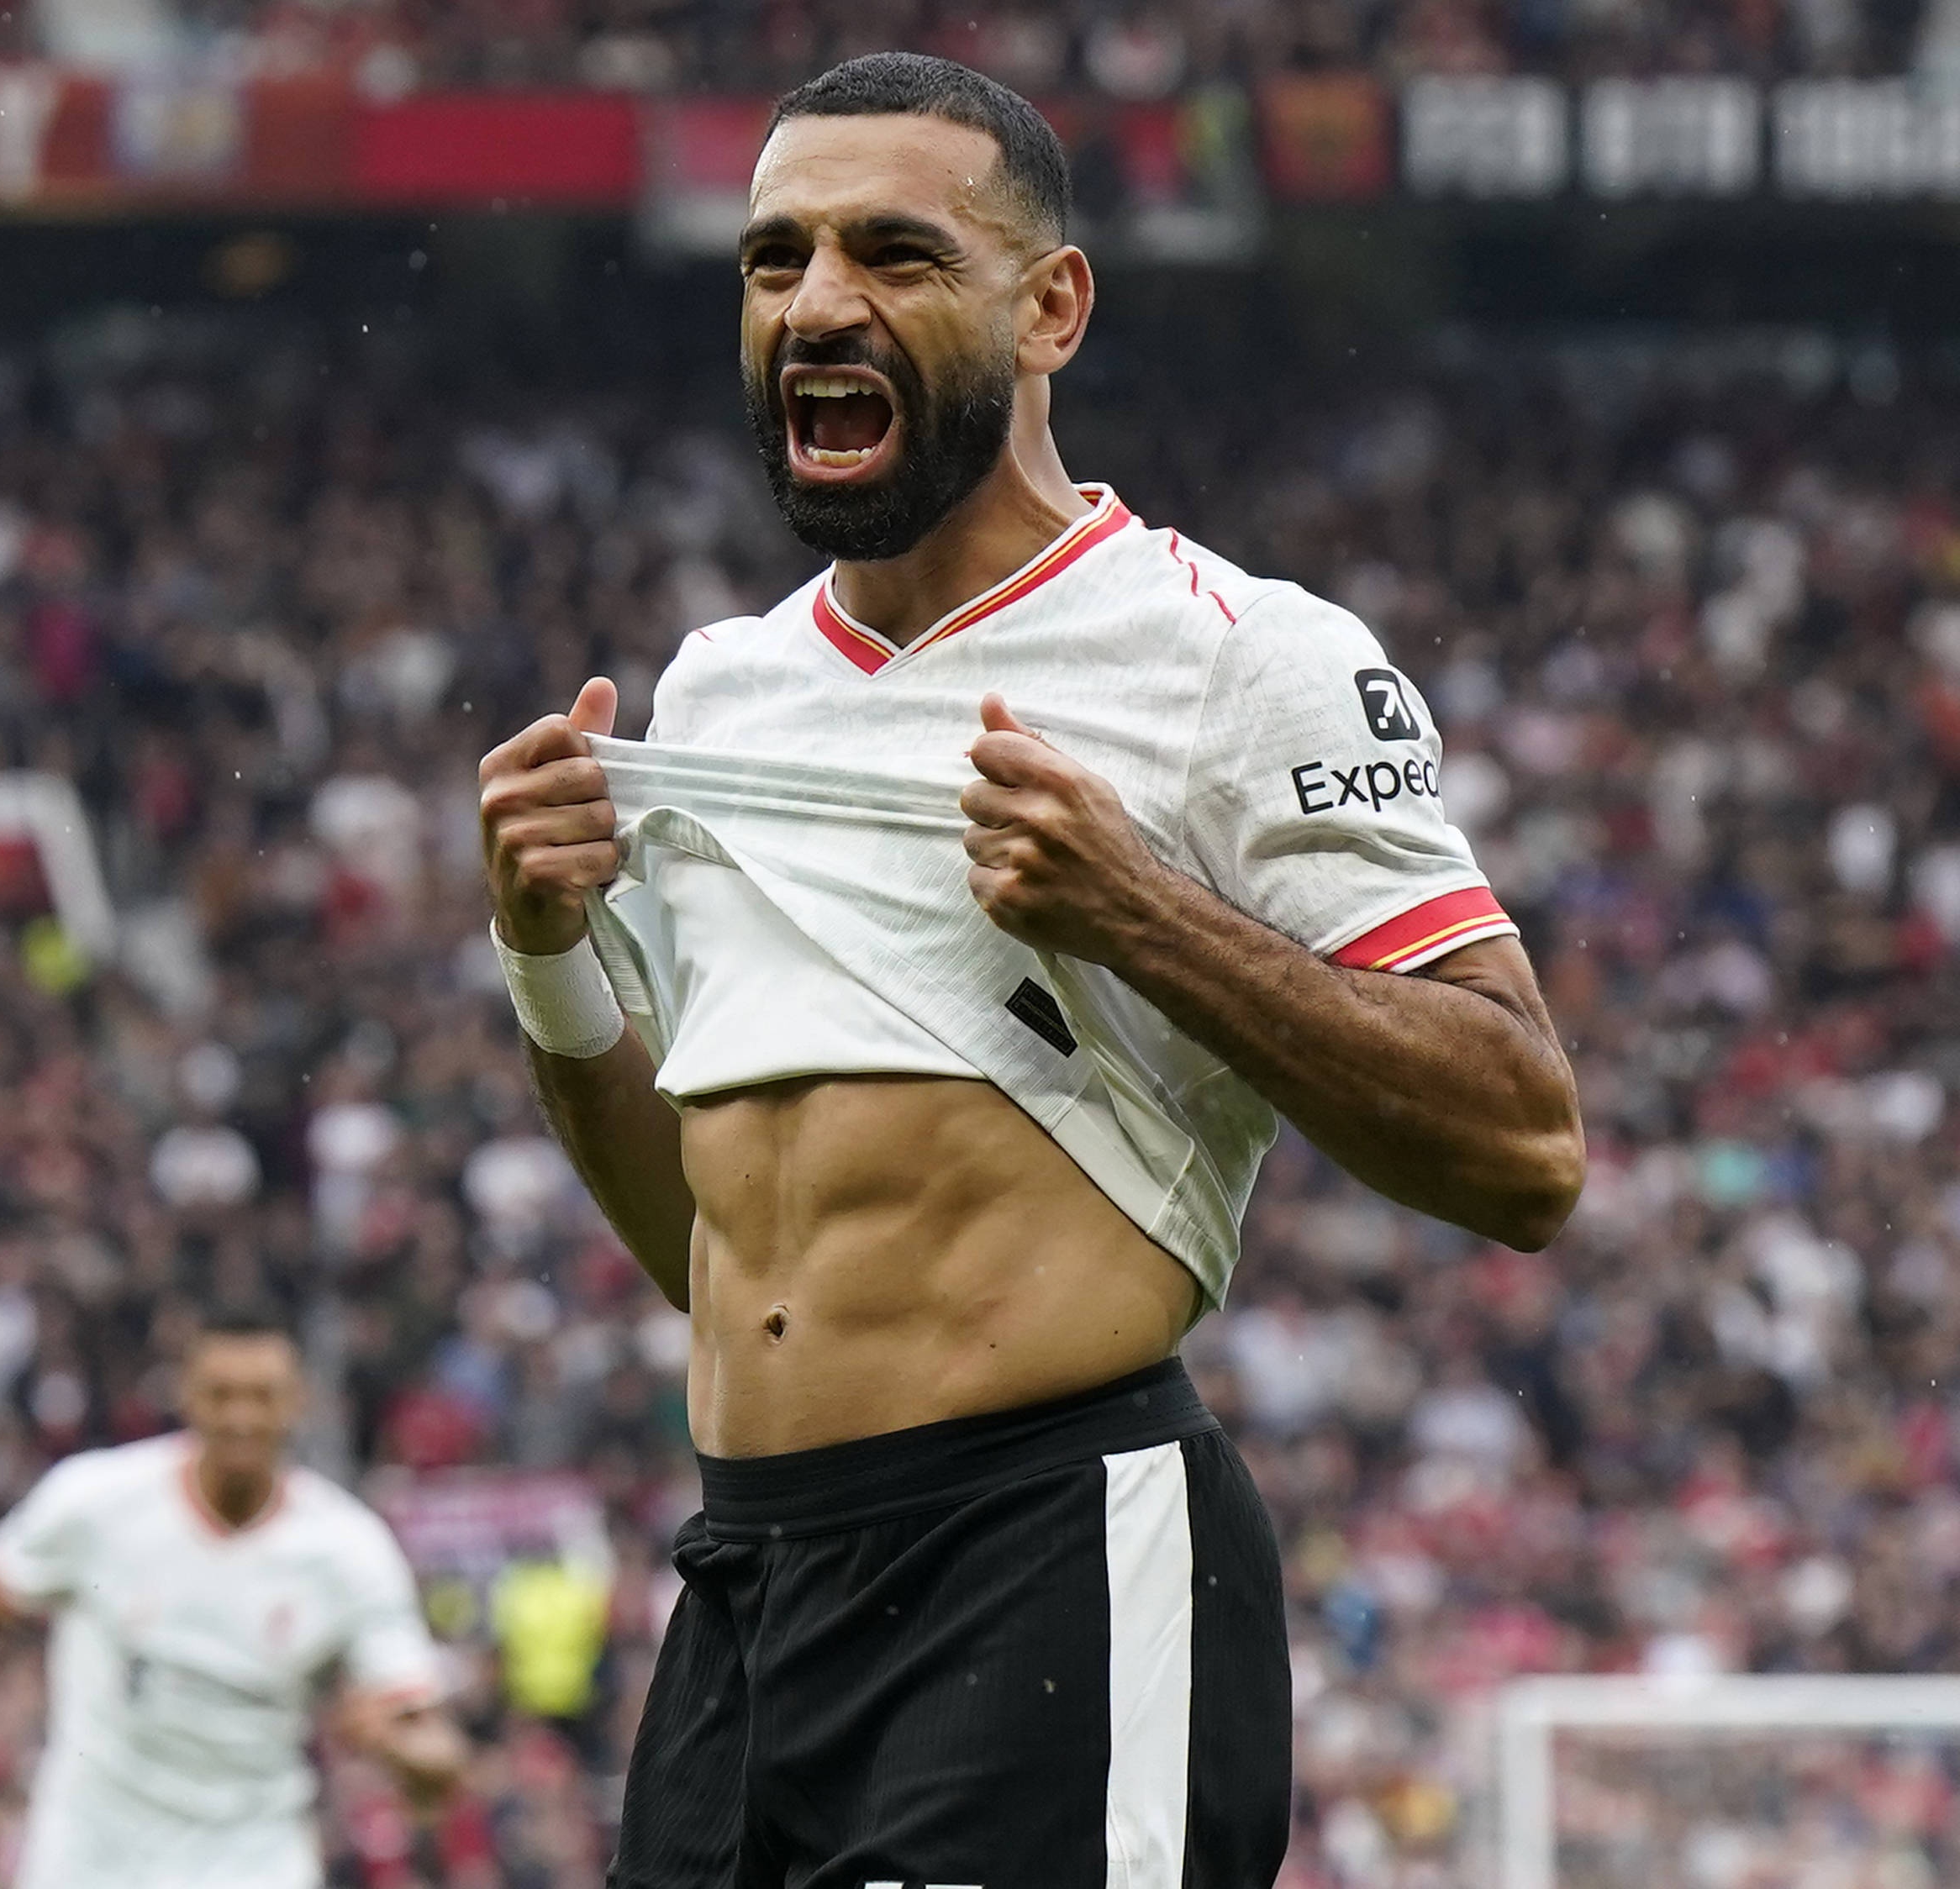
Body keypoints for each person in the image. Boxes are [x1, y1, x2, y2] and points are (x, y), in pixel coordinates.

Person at [476, 51, 1585, 1889]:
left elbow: (1526, 1144)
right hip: (748, 1587)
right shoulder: (720, 693)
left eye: (895, 252)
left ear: (1051, 307)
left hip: (1047, 1553)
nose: (816, 303)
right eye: (775, 259)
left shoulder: (1237, 657)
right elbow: (718, 1255)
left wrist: (1141, 911)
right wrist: (547, 957)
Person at [0, 1308, 466, 1889]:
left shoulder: (349, 1550)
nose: (241, 1418)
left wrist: (399, 1748)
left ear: (298, 1402)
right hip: (92, 1860)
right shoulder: (96, 1502)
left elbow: (433, 1753)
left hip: (253, 1864)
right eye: (221, 1395)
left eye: (262, 1396)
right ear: (186, 1396)